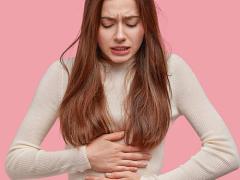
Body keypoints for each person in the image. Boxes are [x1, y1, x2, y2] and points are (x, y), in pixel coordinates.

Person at [5, 0, 240, 179]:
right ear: (91, 25)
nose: (119, 36)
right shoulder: (63, 73)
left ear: (145, 23)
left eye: (131, 23)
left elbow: (225, 153)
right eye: (107, 24)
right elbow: (16, 163)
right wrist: (85, 157)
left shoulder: (171, 70)